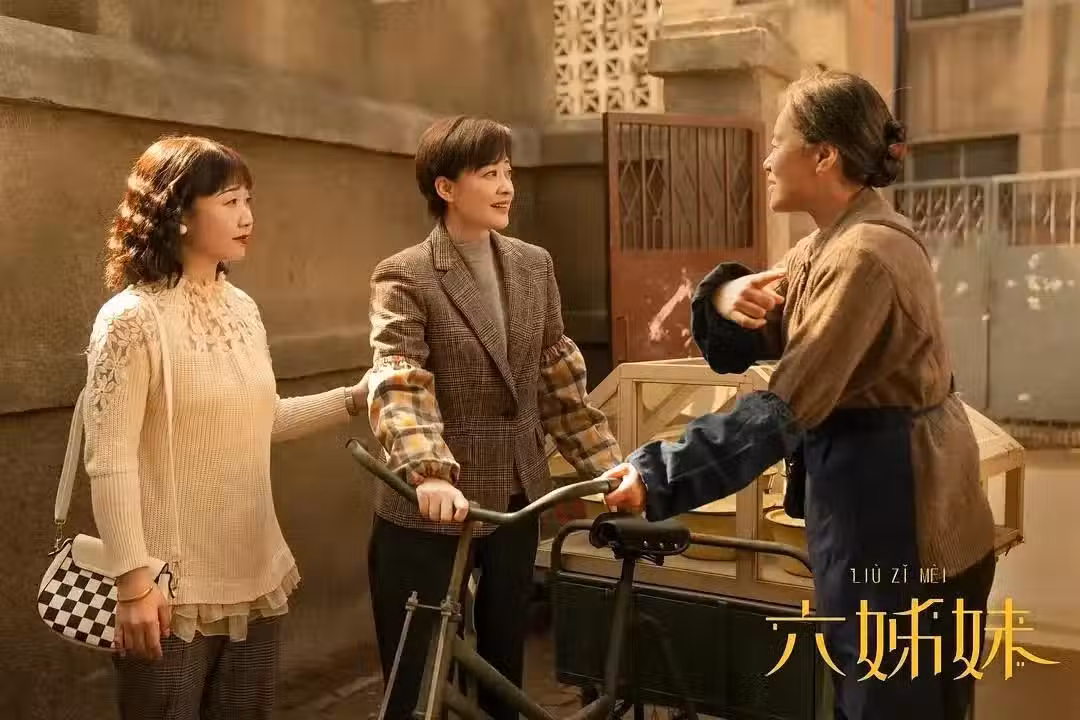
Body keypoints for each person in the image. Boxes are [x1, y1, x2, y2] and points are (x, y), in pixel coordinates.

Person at [602, 71, 996, 720]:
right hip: (866, 502)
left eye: (777, 141)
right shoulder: (826, 245)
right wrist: (724, 296)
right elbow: (751, 340)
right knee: (867, 690)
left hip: (905, 518)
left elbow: (783, 406)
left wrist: (658, 475)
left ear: (823, 156)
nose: (765, 160)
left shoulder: (865, 255)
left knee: (892, 701)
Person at [85, 135, 368, 719]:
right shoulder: (130, 320)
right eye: (230, 201)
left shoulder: (242, 308)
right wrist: (133, 584)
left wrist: (353, 399)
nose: (247, 217)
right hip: (167, 590)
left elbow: (257, 421)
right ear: (178, 213)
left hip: (253, 574)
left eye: (248, 200)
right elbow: (108, 460)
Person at [365, 115, 622, 720]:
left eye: (508, 172)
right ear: (446, 187)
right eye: (488, 174)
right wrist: (429, 471)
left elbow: (559, 380)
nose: (506, 186)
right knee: (417, 678)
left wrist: (609, 471)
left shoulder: (534, 265)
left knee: (504, 674)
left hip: (515, 498)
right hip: (432, 507)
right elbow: (399, 377)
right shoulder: (405, 273)